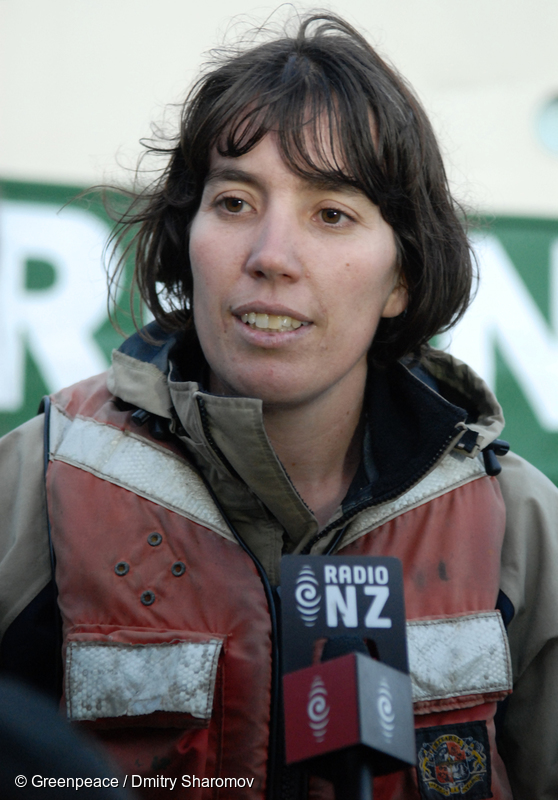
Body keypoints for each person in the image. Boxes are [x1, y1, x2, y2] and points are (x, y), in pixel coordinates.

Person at [0, 11, 557, 800]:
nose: (269, 257)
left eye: (331, 214)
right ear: (186, 237)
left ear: (402, 277)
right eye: (233, 203)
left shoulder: (519, 529)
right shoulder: (35, 485)